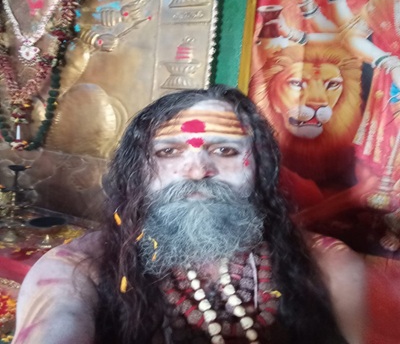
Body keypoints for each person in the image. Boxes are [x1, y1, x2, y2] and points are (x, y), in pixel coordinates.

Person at [11, 85, 365, 344]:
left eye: (224, 150)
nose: (197, 171)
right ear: (139, 171)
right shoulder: (80, 268)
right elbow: (59, 321)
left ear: (260, 168)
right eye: (168, 152)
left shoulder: (329, 264)